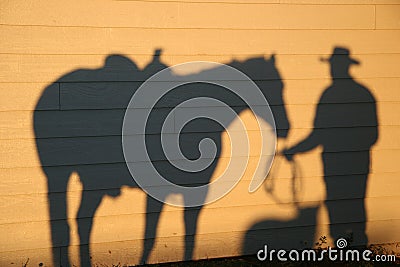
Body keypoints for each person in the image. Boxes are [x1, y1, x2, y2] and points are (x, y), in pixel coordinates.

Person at [283, 47, 378, 246]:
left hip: (336, 162)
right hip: (355, 161)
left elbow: (318, 134)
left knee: (338, 203)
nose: (333, 69)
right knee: (354, 202)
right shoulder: (362, 94)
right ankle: (355, 247)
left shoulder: (330, 94)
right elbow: (371, 135)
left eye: (335, 65)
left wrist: (295, 150)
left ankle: (347, 247)